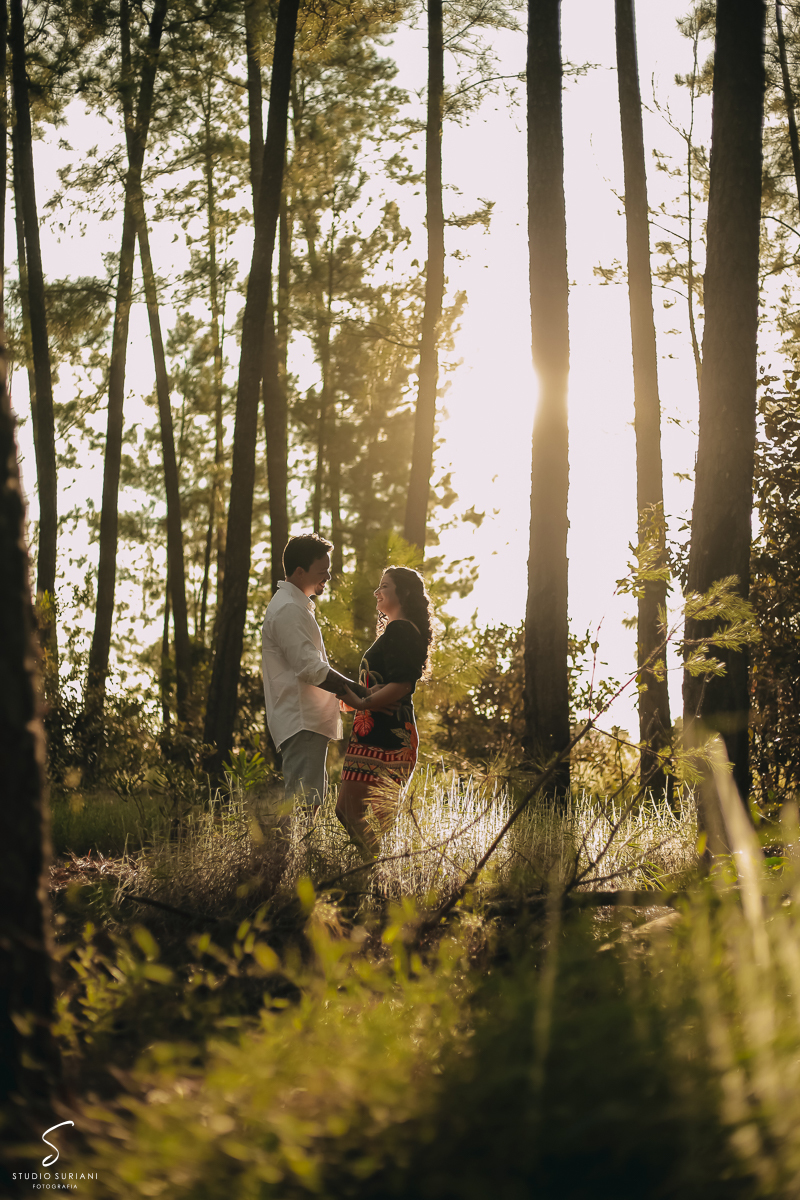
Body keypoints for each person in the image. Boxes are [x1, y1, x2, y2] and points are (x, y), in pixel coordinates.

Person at [262, 534, 365, 813]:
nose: (328, 576)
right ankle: (296, 857)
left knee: (308, 804)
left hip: (306, 721)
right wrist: (358, 691)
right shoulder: (288, 609)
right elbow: (310, 668)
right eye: (322, 571)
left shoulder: (295, 606)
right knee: (304, 807)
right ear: (299, 572)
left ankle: (296, 856)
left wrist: (342, 694)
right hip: (302, 722)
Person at [337, 566, 434, 857]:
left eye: (385, 587)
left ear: (403, 592)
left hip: (386, 737)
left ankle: (376, 874)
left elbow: (403, 684)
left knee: (352, 812)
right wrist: (358, 697)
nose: (377, 592)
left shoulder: (401, 629)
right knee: (368, 818)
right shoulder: (399, 630)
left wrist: (364, 703)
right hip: (378, 733)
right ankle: (379, 878)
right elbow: (385, 684)